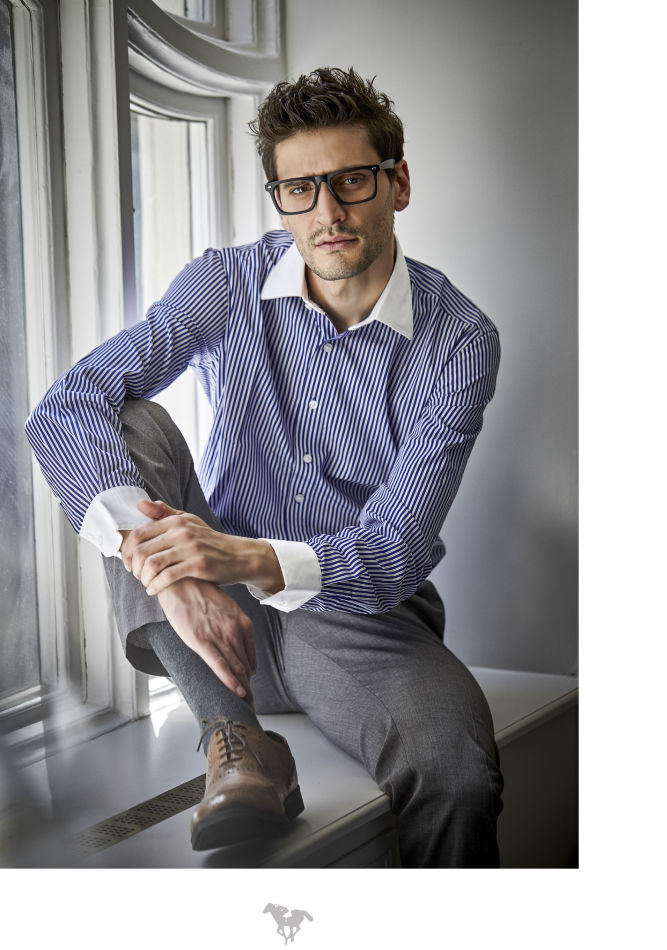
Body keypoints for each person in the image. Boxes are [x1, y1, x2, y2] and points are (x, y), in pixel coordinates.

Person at [25, 66, 503, 867]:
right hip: (212, 622)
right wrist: (175, 578)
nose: (327, 213)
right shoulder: (225, 281)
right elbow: (67, 404)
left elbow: (394, 549)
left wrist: (238, 557)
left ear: (397, 183)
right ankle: (238, 741)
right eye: (299, 190)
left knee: (456, 779)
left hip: (360, 622)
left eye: (351, 181)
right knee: (128, 420)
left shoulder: (459, 342)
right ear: (279, 199)